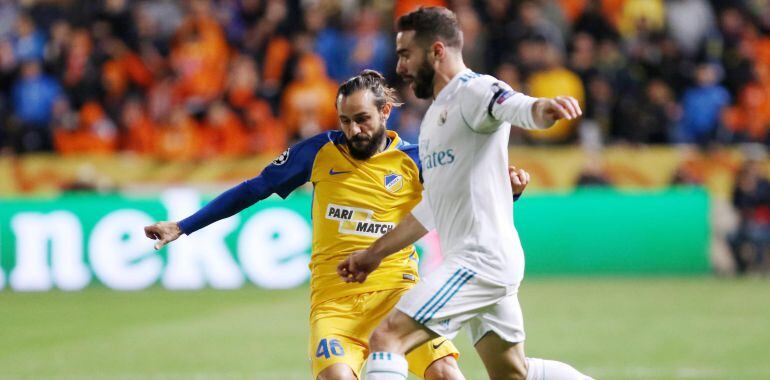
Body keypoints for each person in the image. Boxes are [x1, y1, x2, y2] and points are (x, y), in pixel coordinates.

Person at [144, 70, 531, 380]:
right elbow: (254, 189)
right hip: (334, 303)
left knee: (445, 372)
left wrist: (508, 193)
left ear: (384, 113)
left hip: (398, 296)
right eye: (345, 121)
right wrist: (184, 226)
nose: (353, 130)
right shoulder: (316, 152)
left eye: (362, 119)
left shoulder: (417, 160)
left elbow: (467, 204)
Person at [337, 7, 592, 380]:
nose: (401, 66)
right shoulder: (435, 118)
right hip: (482, 257)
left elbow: (513, 104)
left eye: (407, 53)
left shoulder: (474, 90)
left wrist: (542, 109)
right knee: (512, 373)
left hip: (479, 260)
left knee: (388, 337)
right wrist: (373, 254)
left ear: (437, 51)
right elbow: (433, 209)